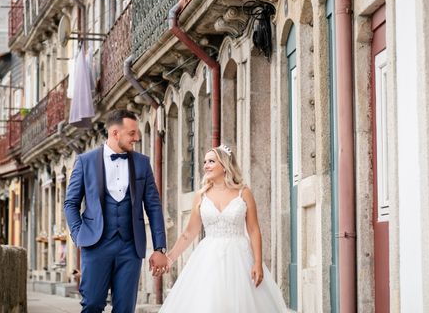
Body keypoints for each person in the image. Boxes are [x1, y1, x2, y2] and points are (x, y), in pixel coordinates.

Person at [158, 145, 286, 312]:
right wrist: (170, 258)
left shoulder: (244, 193)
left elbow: (254, 230)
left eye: (211, 161)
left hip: (240, 257)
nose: (206, 165)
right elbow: (189, 233)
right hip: (208, 258)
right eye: (205, 162)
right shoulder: (201, 195)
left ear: (225, 166)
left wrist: (257, 263)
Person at [64, 109, 168, 313]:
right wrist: (78, 234)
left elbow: (154, 206)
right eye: (132, 133)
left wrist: (159, 247)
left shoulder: (142, 163)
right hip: (95, 245)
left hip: (130, 248)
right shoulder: (85, 161)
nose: (136, 138)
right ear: (115, 133)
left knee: (124, 309)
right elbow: (71, 203)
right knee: (92, 304)